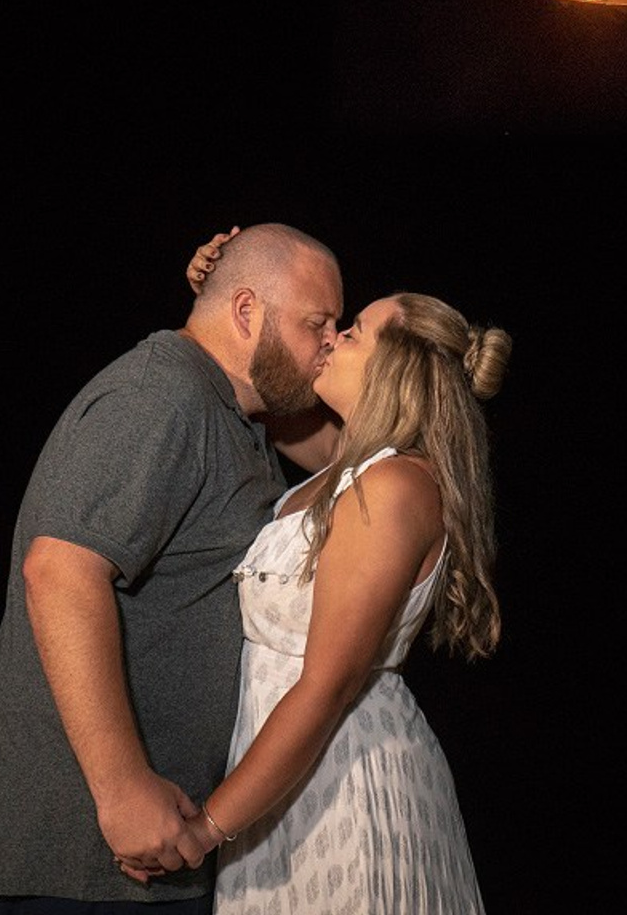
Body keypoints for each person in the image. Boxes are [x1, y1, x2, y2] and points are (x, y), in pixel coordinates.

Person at [0, 223, 344, 914]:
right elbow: (61, 571)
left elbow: (361, 452)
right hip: (86, 855)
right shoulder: (161, 396)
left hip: (152, 852)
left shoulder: (240, 414)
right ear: (247, 311)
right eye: (319, 323)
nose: (328, 343)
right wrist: (121, 785)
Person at [133, 233, 511, 913]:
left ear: (396, 370)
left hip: (342, 781)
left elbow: (329, 684)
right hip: (283, 780)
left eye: (355, 332)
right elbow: (257, 383)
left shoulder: (396, 486)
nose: (332, 339)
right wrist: (222, 304)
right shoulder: (348, 462)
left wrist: (208, 827)